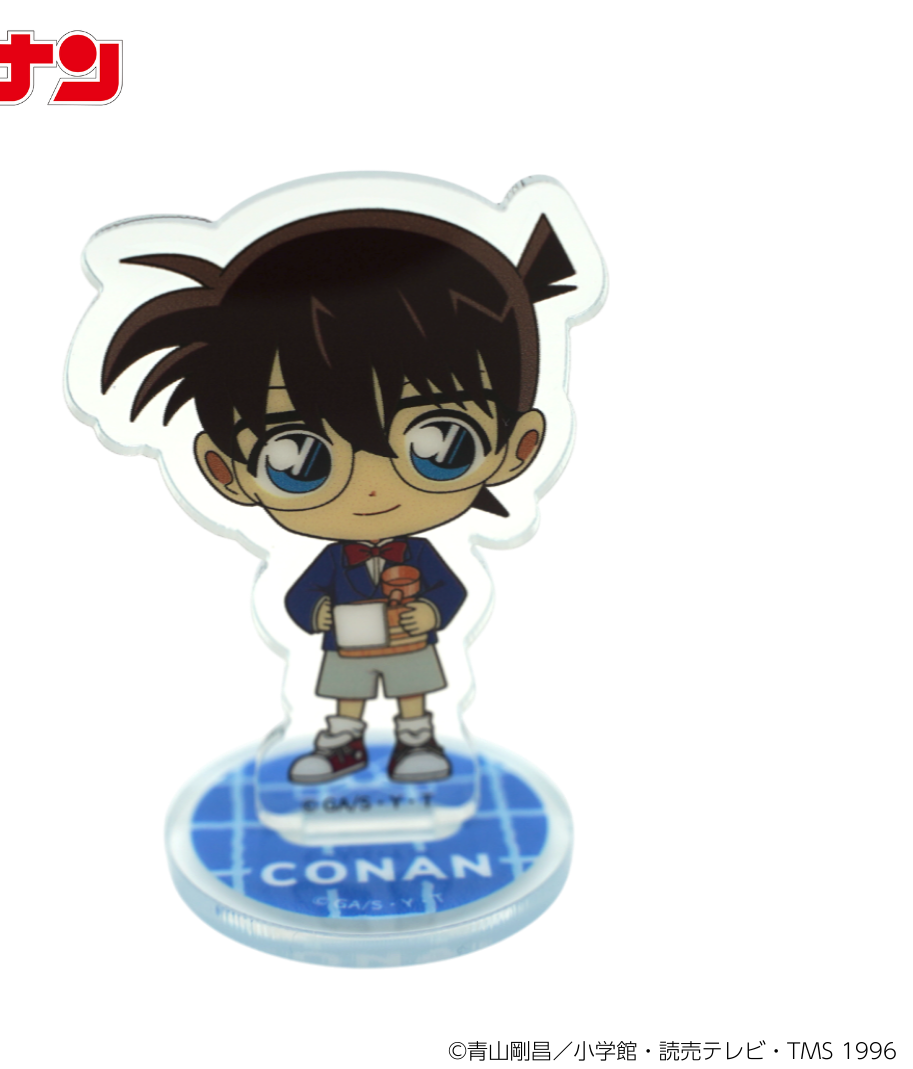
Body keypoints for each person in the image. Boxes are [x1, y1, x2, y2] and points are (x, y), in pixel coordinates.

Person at [100, 208, 577, 783]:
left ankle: (417, 740)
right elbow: (300, 599)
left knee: (414, 693)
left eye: (441, 445)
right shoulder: (333, 561)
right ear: (226, 472)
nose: (371, 487)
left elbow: (450, 592)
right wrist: (320, 613)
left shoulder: (419, 556)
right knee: (345, 696)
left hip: (409, 641)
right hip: (346, 646)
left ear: (517, 448)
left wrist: (428, 612)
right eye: (299, 460)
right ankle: (344, 741)